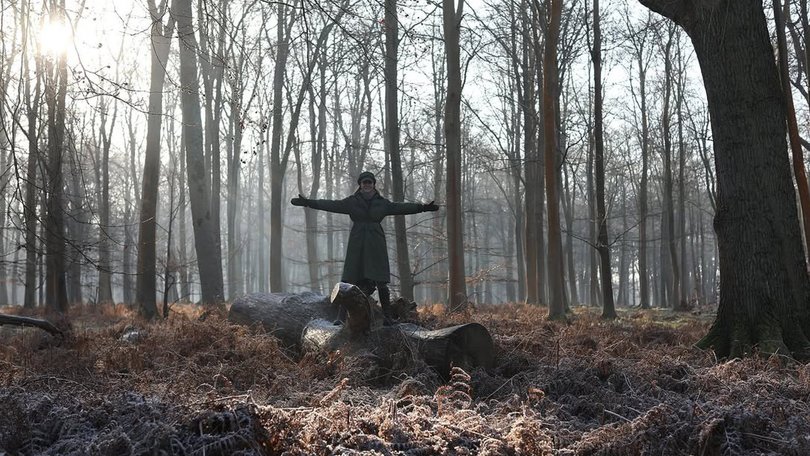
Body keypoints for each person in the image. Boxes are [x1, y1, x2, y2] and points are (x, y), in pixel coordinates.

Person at [291, 171, 439, 322]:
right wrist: (309, 202)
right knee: (349, 279)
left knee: (381, 280)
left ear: (374, 185)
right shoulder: (352, 202)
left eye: (369, 182)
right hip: (357, 243)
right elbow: (331, 205)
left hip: (376, 243)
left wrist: (423, 207)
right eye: (364, 183)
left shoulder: (382, 203)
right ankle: (340, 317)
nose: (367, 185)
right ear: (360, 185)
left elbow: (401, 207)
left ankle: (387, 317)